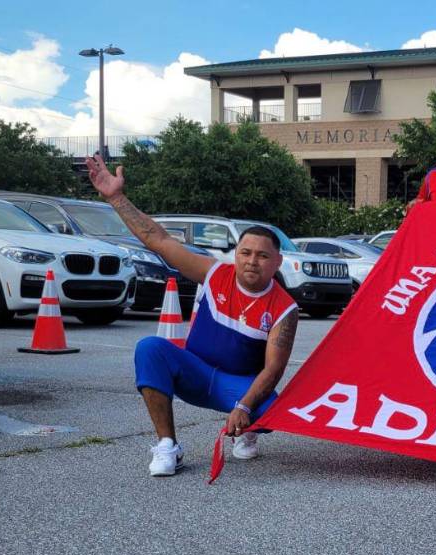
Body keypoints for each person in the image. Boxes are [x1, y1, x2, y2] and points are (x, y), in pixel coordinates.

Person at [85, 154, 299, 477]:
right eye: (245, 252)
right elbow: (158, 239)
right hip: (196, 373)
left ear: (277, 262)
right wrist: (116, 198)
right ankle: (168, 446)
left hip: (237, 386)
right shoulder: (213, 274)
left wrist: (244, 405)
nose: (252, 261)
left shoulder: (284, 308)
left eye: (262, 255)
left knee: (271, 408)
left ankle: (248, 430)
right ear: (235, 254)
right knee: (150, 348)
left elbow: (273, 369)